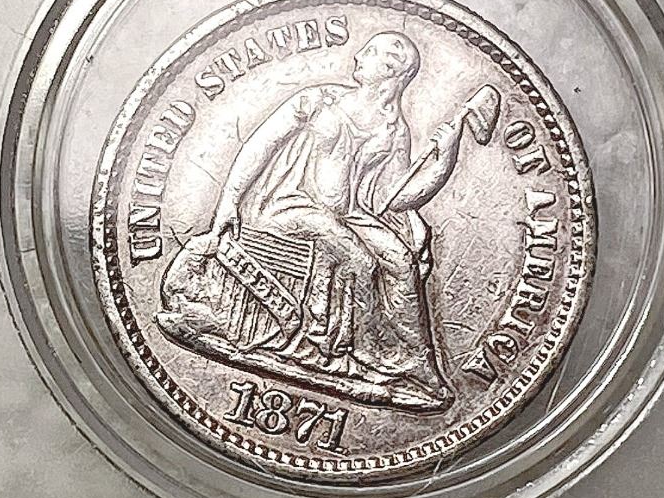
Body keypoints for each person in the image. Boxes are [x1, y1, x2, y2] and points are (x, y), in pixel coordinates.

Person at [156, 32, 465, 411]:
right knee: (358, 259)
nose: (358, 56)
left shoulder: (394, 129)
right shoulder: (319, 100)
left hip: (348, 214)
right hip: (288, 205)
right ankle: (362, 357)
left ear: (391, 71)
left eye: (369, 53)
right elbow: (260, 145)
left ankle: (417, 363)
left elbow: (395, 198)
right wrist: (229, 202)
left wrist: (444, 160)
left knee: (401, 261)